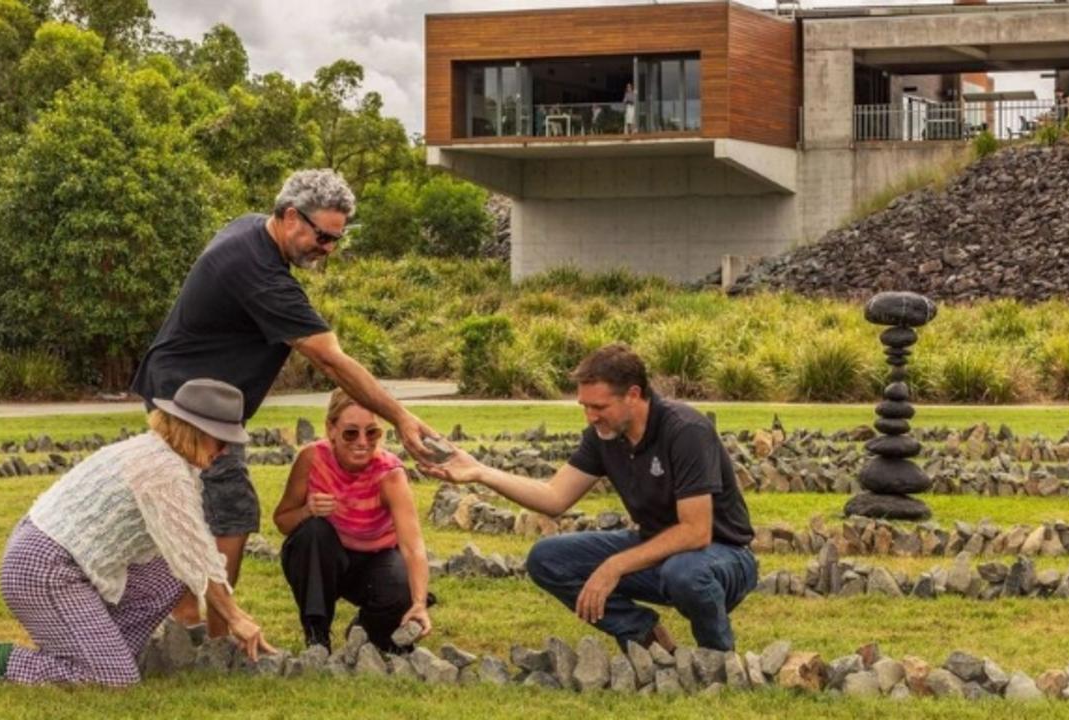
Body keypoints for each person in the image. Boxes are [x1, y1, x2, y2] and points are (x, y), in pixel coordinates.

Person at [130, 169, 438, 641]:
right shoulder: (259, 273)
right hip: (188, 406)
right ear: (291, 216)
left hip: (185, 395)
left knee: (196, 511)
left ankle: (188, 619)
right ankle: (206, 633)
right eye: (322, 235)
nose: (329, 248)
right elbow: (332, 361)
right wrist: (401, 417)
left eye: (337, 238)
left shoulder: (250, 230)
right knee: (230, 510)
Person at [421, 344, 757, 652]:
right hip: (656, 548)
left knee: (684, 573)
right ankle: (644, 636)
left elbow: (696, 532)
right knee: (547, 558)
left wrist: (614, 566)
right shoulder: (604, 436)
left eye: (599, 406)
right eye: (584, 406)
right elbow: (554, 497)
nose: (591, 416)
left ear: (634, 394)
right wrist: (481, 472)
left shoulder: (685, 431)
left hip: (721, 555)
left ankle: (717, 657)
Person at [0, 379, 274, 687]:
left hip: (64, 562)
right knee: (116, 679)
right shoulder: (161, 470)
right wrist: (236, 618)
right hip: (42, 569)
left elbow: (190, 555)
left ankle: (100, 648)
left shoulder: (165, 456)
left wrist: (232, 611)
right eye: (221, 442)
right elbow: (196, 553)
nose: (225, 452)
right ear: (193, 430)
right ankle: (0, 661)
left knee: (171, 573)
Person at [273, 389, 431, 652]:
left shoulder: (390, 473)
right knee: (313, 531)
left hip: (375, 560)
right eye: (350, 433)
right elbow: (282, 520)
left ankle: (365, 627)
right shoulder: (311, 458)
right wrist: (306, 511)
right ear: (331, 429)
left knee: (399, 589)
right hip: (325, 559)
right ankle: (317, 636)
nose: (362, 442)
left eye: (372, 433)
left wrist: (419, 602)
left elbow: (413, 546)